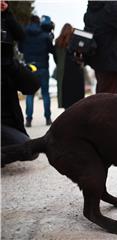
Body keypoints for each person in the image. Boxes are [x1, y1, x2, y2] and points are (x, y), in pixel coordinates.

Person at [1, 0, 40, 166]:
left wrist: (9, 63)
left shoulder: (7, 64)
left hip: (5, 124)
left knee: (28, 149)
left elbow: (32, 85)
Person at [18, 15, 55, 127]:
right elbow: (51, 50)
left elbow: (20, 49)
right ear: (39, 23)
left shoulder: (24, 34)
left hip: (30, 67)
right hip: (43, 67)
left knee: (30, 94)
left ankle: (28, 120)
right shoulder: (44, 35)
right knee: (45, 94)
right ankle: (48, 118)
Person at [54, 23, 84, 109]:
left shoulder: (57, 42)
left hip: (63, 72)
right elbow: (81, 55)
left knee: (65, 96)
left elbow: (55, 58)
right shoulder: (76, 41)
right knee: (76, 96)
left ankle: (67, 115)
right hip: (76, 71)